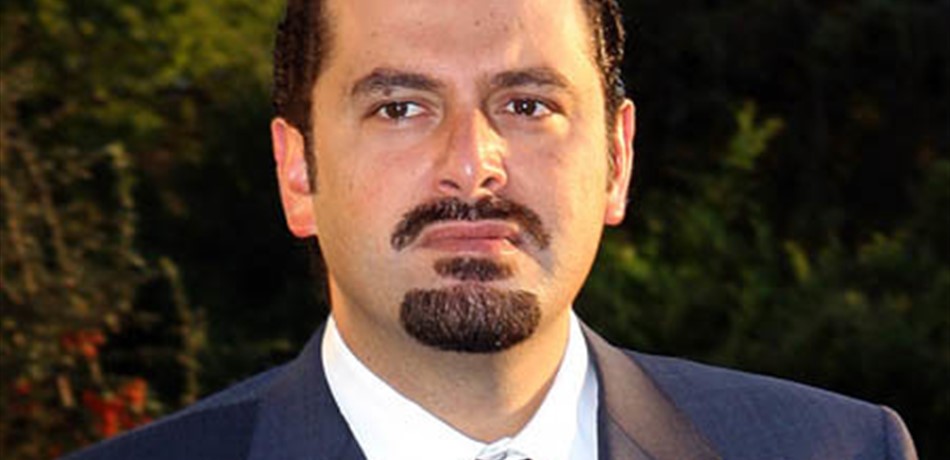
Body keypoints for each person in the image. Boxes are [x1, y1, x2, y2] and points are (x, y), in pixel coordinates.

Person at [64, 0, 918, 458]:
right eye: (400, 108)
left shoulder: (843, 452)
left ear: (616, 160)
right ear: (299, 174)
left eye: (528, 105)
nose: (473, 165)